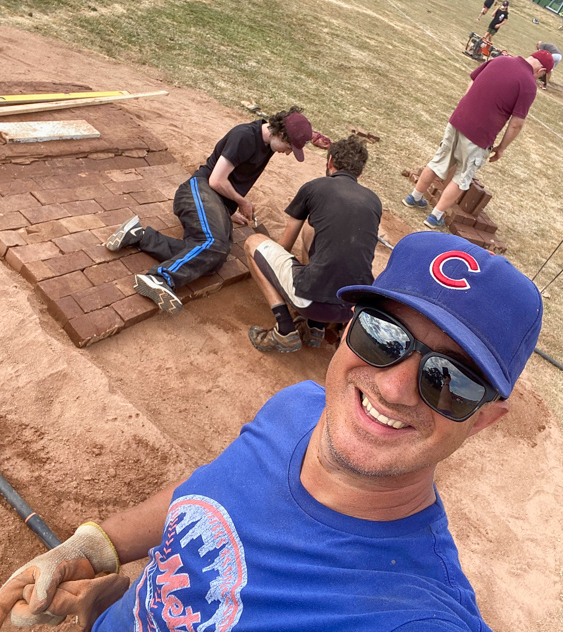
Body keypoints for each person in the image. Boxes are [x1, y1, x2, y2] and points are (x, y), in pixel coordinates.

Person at [0, 232, 543, 632]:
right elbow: (208, 493)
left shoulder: (411, 614)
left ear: (484, 419)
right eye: (384, 334)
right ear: (345, 330)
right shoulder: (299, 407)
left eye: (450, 380)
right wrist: (97, 552)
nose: (395, 388)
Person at [104, 108, 312, 313]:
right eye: (289, 147)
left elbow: (231, 180)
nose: (287, 153)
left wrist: (225, 211)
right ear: (281, 133)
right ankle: (160, 278)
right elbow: (216, 180)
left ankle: (139, 236)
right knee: (214, 244)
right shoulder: (244, 136)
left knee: (213, 260)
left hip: (214, 200)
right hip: (197, 189)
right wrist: (242, 202)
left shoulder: (269, 143)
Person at [244, 135, 382, 353]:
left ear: (330, 161)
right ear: (360, 172)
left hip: (310, 302)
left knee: (253, 243)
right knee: (314, 230)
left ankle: (284, 329)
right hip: (350, 308)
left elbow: (285, 246)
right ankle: (315, 328)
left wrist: (266, 262)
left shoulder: (314, 187)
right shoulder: (374, 201)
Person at [402, 51, 553, 229]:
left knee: (439, 160)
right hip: (480, 134)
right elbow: (516, 124)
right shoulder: (528, 85)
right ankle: (435, 216)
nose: (539, 78)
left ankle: (414, 197)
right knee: (462, 177)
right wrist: (501, 148)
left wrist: (468, 109)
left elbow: (471, 82)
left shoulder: (500, 60)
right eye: (542, 76)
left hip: (458, 119)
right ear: (541, 70)